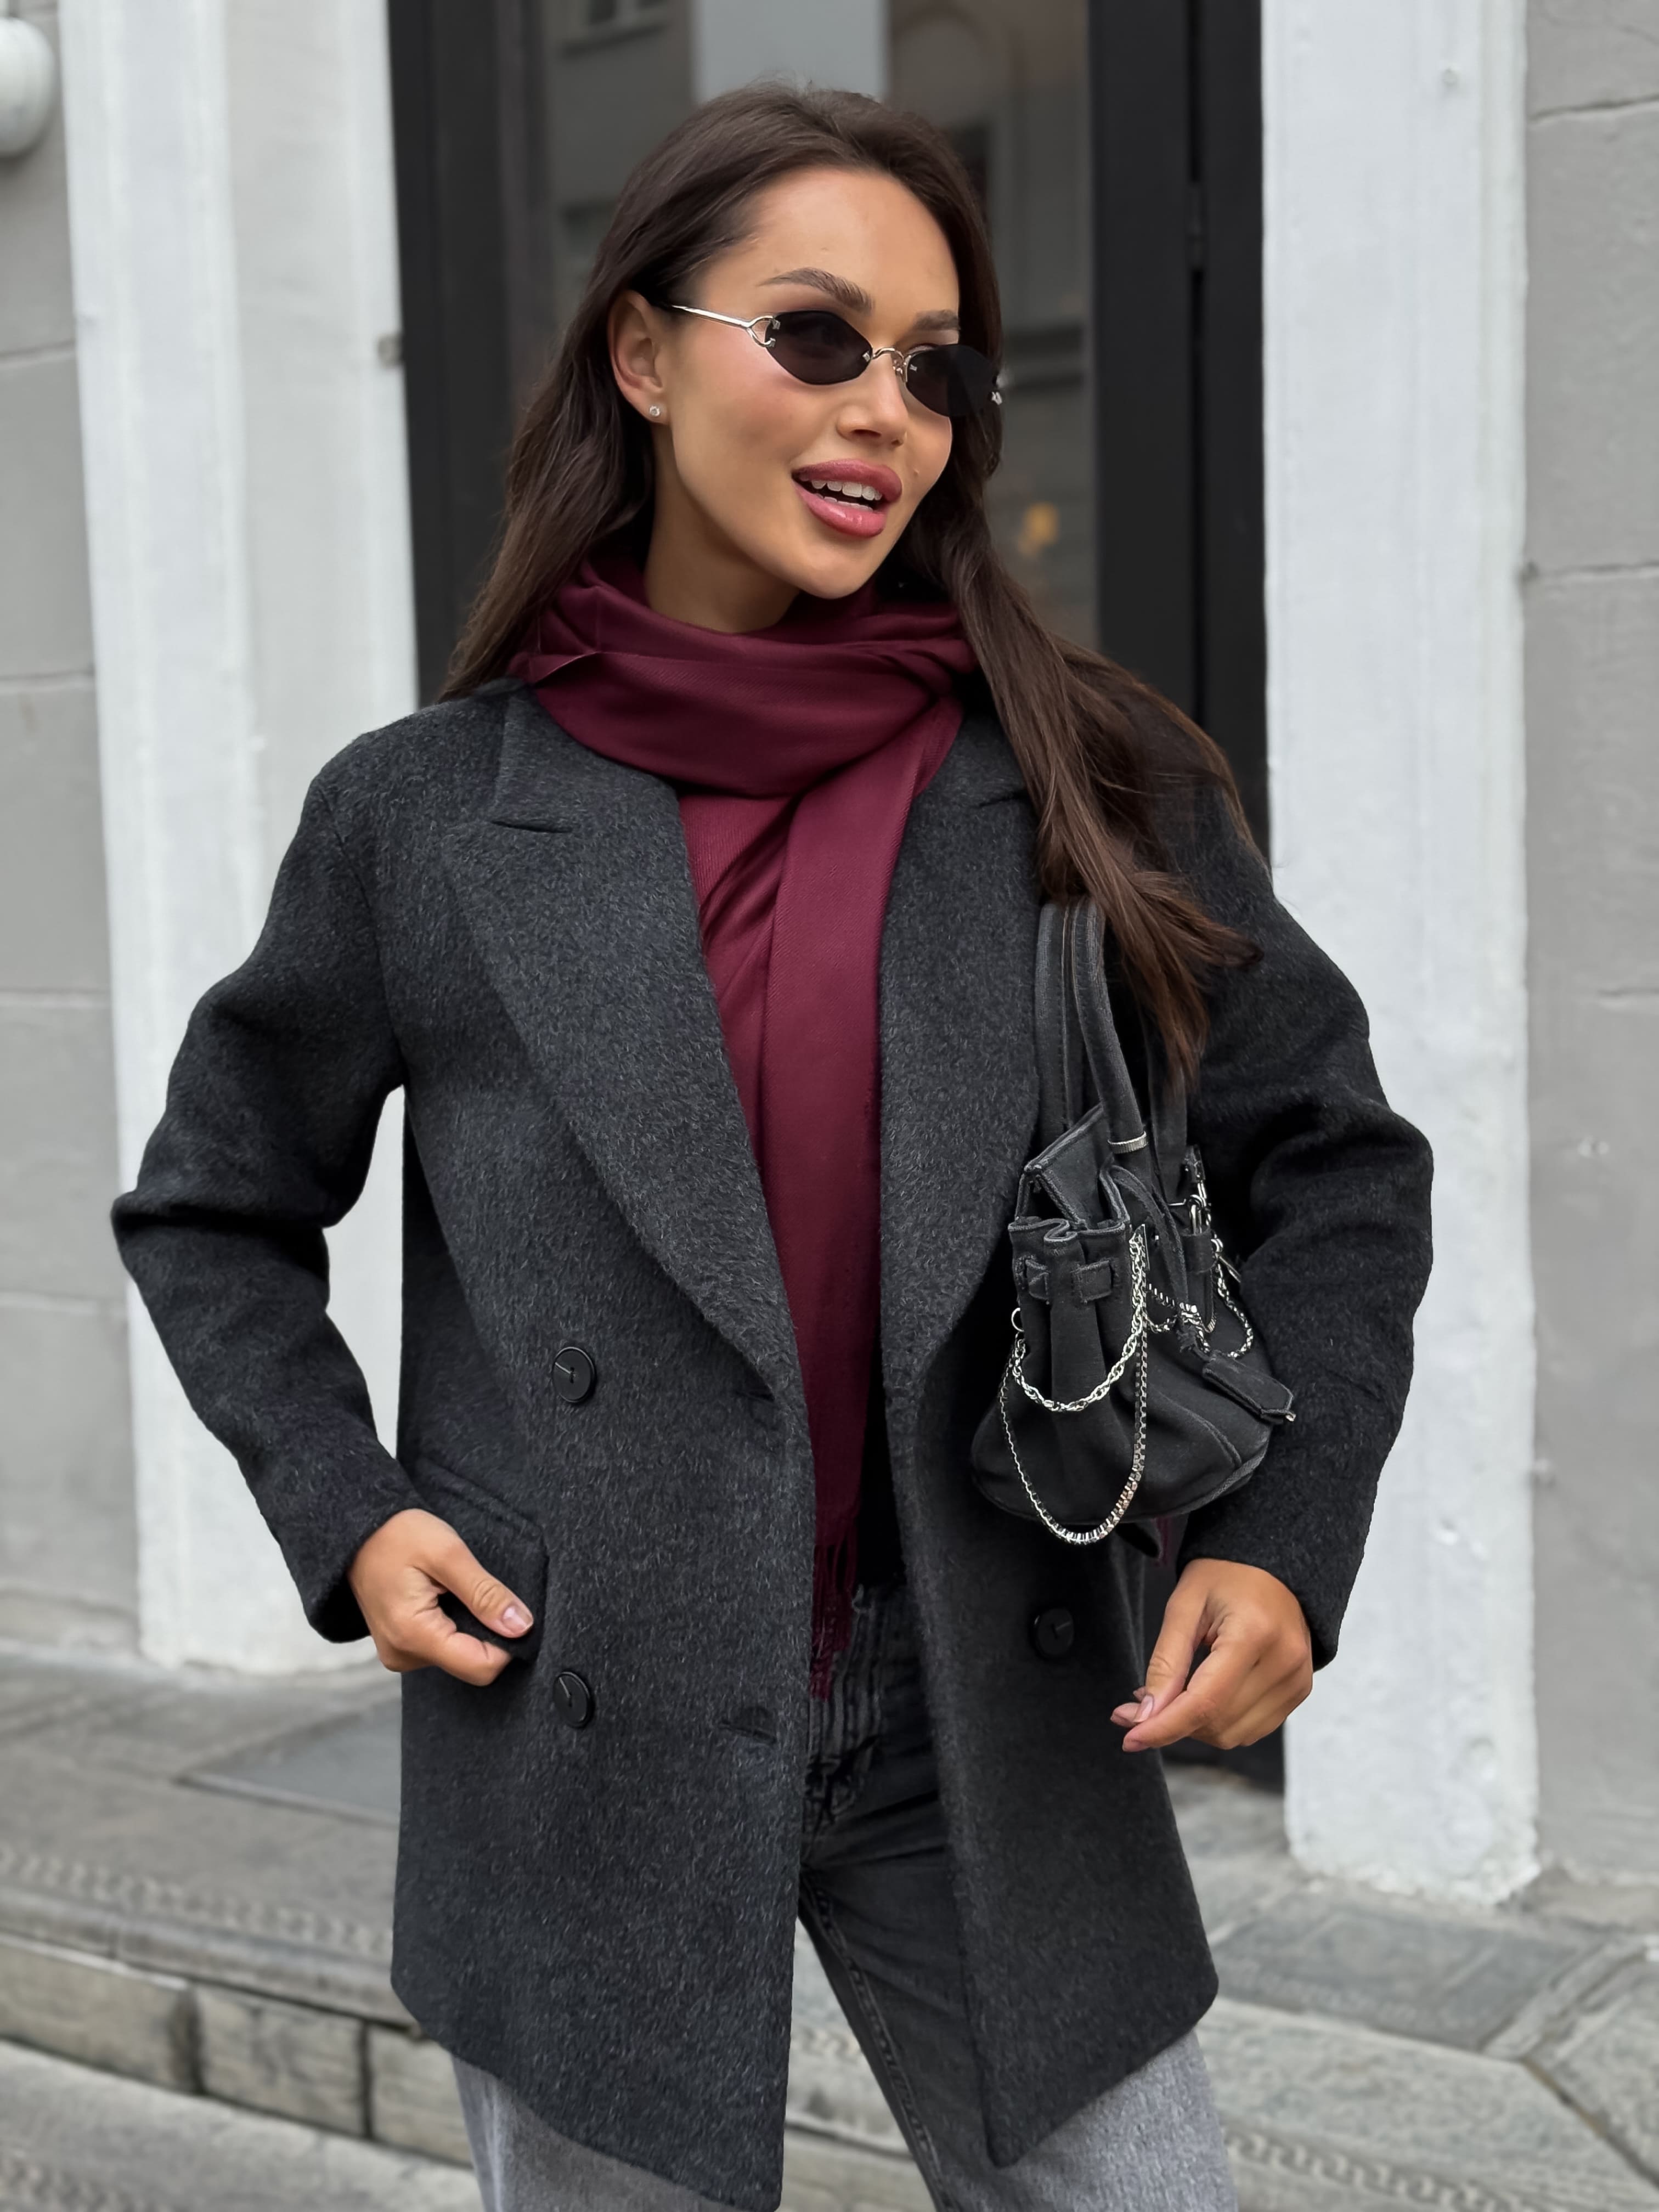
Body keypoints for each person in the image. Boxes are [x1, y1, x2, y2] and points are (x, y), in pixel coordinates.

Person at [112, 85, 1432, 2212]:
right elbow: (213, 1206)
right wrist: (347, 1511)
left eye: (936, 368)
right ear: (642, 356)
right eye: (815, 336)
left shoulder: (1081, 779)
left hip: (987, 1715)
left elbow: (1339, 1162)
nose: (883, 411)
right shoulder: (425, 821)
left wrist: (1287, 1533)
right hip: (582, 1714)